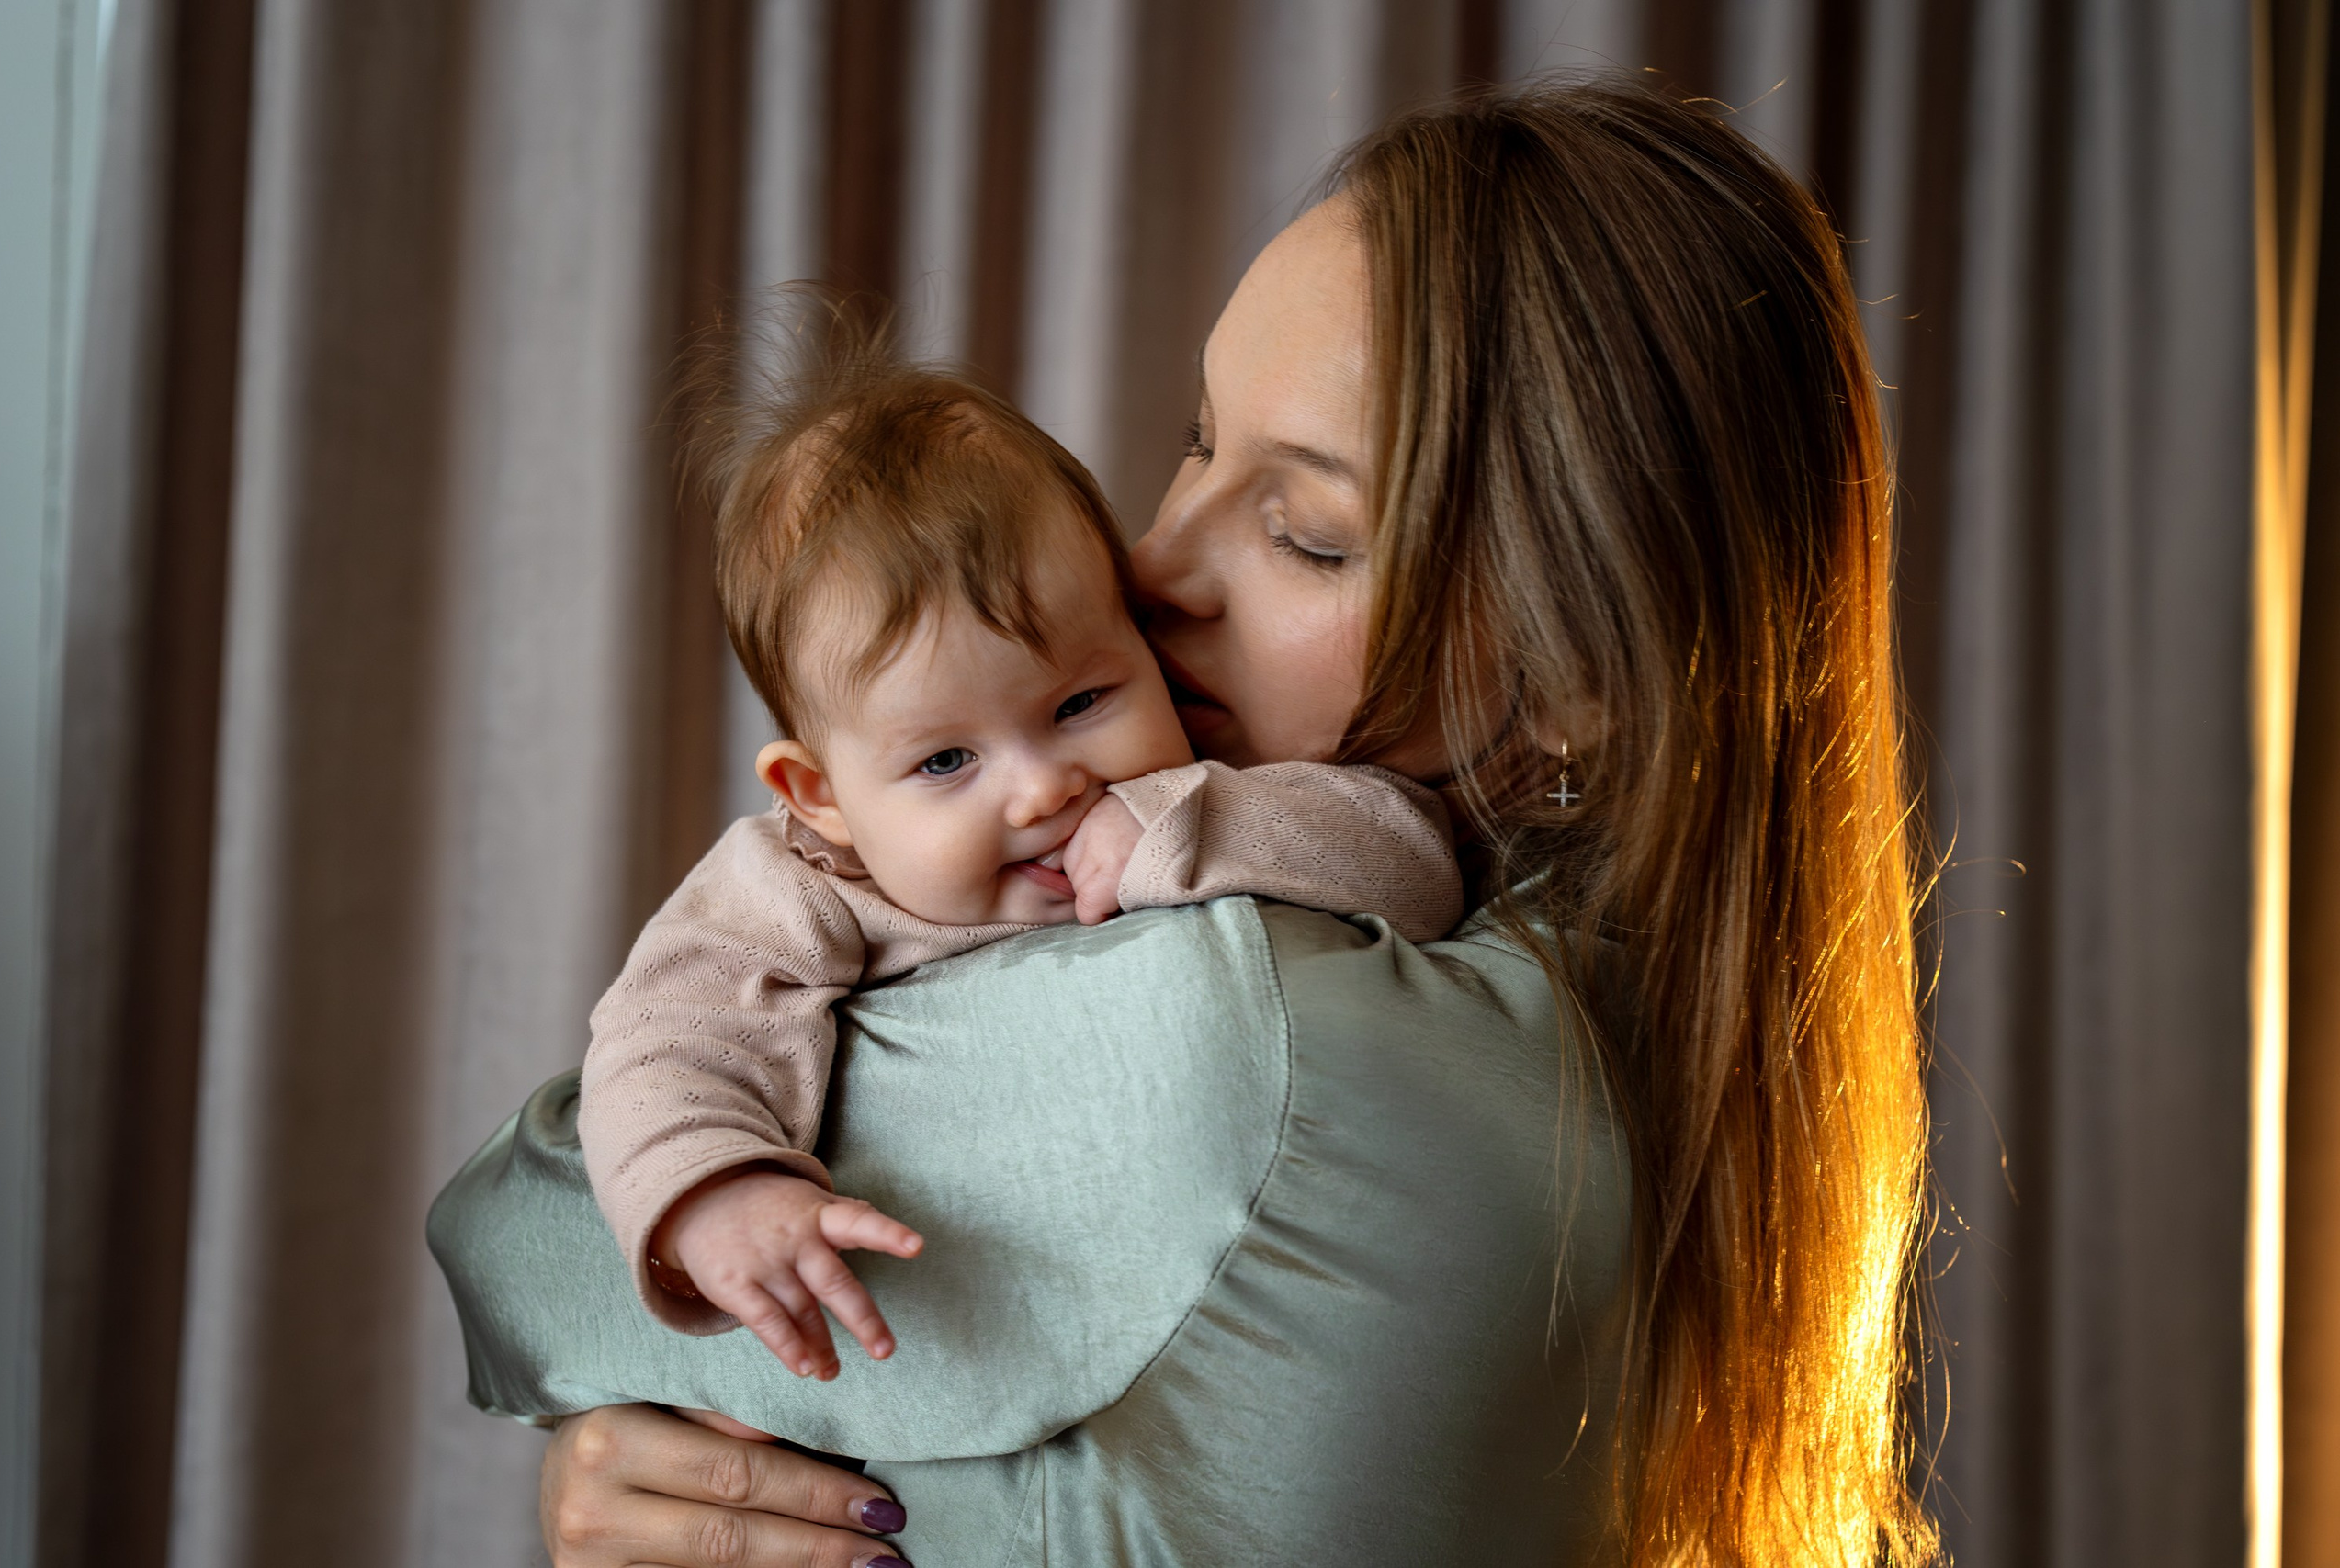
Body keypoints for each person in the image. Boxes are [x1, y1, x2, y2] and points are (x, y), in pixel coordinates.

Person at [429, 77, 1936, 1568]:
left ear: (1582, 680)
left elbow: (512, 1236)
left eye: (1308, 534)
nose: (1153, 565)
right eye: (1199, 437)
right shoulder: (1644, 1040)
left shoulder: (1256, 1020)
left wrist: (632, 1414)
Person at [582, 340, 1460, 1375]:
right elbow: (666, 1037)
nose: (1046, 789)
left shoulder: (1210, 786)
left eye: (1081, 703)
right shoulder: (796, 883)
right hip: (937, 1332)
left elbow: (1412, 859)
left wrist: (1181, 827)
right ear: (820, 797)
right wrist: (715, 1192)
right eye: (947, 759)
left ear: (1141, 645)